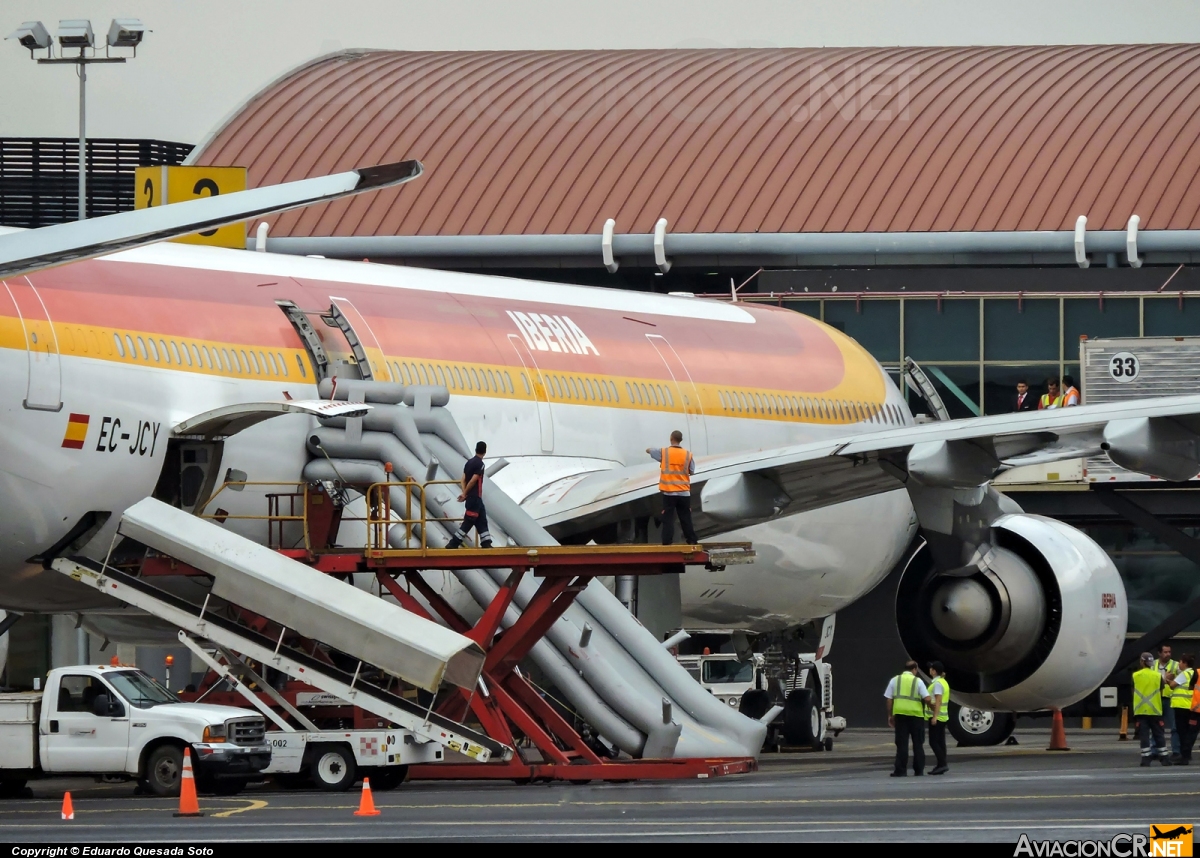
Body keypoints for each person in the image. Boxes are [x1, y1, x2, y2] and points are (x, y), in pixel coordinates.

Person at [646, 430, 698, 545]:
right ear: (681, 440)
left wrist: (648, 449)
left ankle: (667, 541)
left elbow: (651, 451)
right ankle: (692, 540)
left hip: (669, 493)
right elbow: (692, 471)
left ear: (671, 438)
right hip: (684, 493)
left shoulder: (664, 453)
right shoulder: (687, 454)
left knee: (668, 518)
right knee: (685, 518)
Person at [885, 660, 931, 777]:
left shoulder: (895, 680)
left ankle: (900, 770)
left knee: (902, 744)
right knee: (918, 744)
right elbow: (927, 698)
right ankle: (919, 770)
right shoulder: (918, 681)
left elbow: (889, 699)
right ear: (914, 669)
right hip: (916, 717)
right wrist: (931, 708)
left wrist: (890, 715)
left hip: (900, 716)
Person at [446, 441, 493, 549]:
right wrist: (465, 493)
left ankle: (486, 542)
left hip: (474, 499)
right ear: (485, 452)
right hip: (475, 497)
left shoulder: (469, 463)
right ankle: (453, 543)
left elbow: (463, 479)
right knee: (469, 521)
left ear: (476, 449)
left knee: (482, 519)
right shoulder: (480, 464)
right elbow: (473, 481)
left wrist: (464, 493)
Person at [1133, 651, 1172, 766]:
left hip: (1141, 710)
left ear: (1141, 662)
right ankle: (1164, 758)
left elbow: (1133, 690)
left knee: (1144, 736)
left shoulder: (1135, 676)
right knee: (1159, 735)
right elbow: (1160, 690)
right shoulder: (1157, 676)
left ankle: (1146, 759)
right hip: (1155, 710)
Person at [1169, 654, 1196, 765]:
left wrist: (1167, 678)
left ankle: (1183, 756)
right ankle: (1187, 754)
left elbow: (1172, 685)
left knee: (1182, 732)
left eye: (1180, 662)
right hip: (1191, 706)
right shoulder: (1194, 673)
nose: (1179, 664)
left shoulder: (1184, 674)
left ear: (1185, 663)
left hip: (1180, 706)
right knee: (1189, 732)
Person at [1157, 645, 1182, 759]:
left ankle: (1176, 751)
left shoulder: (1176, 665)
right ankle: (1155, 750)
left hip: (1171, 699)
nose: (1168, 654)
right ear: (1159, 653)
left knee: (1174, 727)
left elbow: (1183, 678)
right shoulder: (1153, 665)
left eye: (1169, 652)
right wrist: (1165, 677)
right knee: (1156, 727)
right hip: (1156, 699)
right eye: (1165, 652)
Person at [926, 661, 950, 775]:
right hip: (943, 716)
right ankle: (941, 765)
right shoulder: (943, 682)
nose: (929, 670)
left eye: (931, 668)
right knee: (940, 742)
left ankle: (942, 764)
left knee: (933, 742)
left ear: (934, 671)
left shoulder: (937, 684)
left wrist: (934, 717)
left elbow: (938, 701)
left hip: (937, 717)